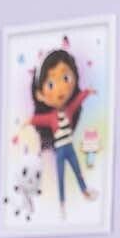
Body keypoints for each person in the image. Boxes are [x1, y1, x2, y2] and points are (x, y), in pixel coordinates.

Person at [27, 48, 97, 212]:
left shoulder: (69, 111)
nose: (60, 89)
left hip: (70, 148)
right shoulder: (50, 117)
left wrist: (88, 92)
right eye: (51, 84)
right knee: (61, 177)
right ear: (40, 95)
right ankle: (62, 203)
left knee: (78, 171)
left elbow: (77, 100)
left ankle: (85, 191)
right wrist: (27, 122)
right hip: (60, 151)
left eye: (65, 78)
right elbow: (38, 119)